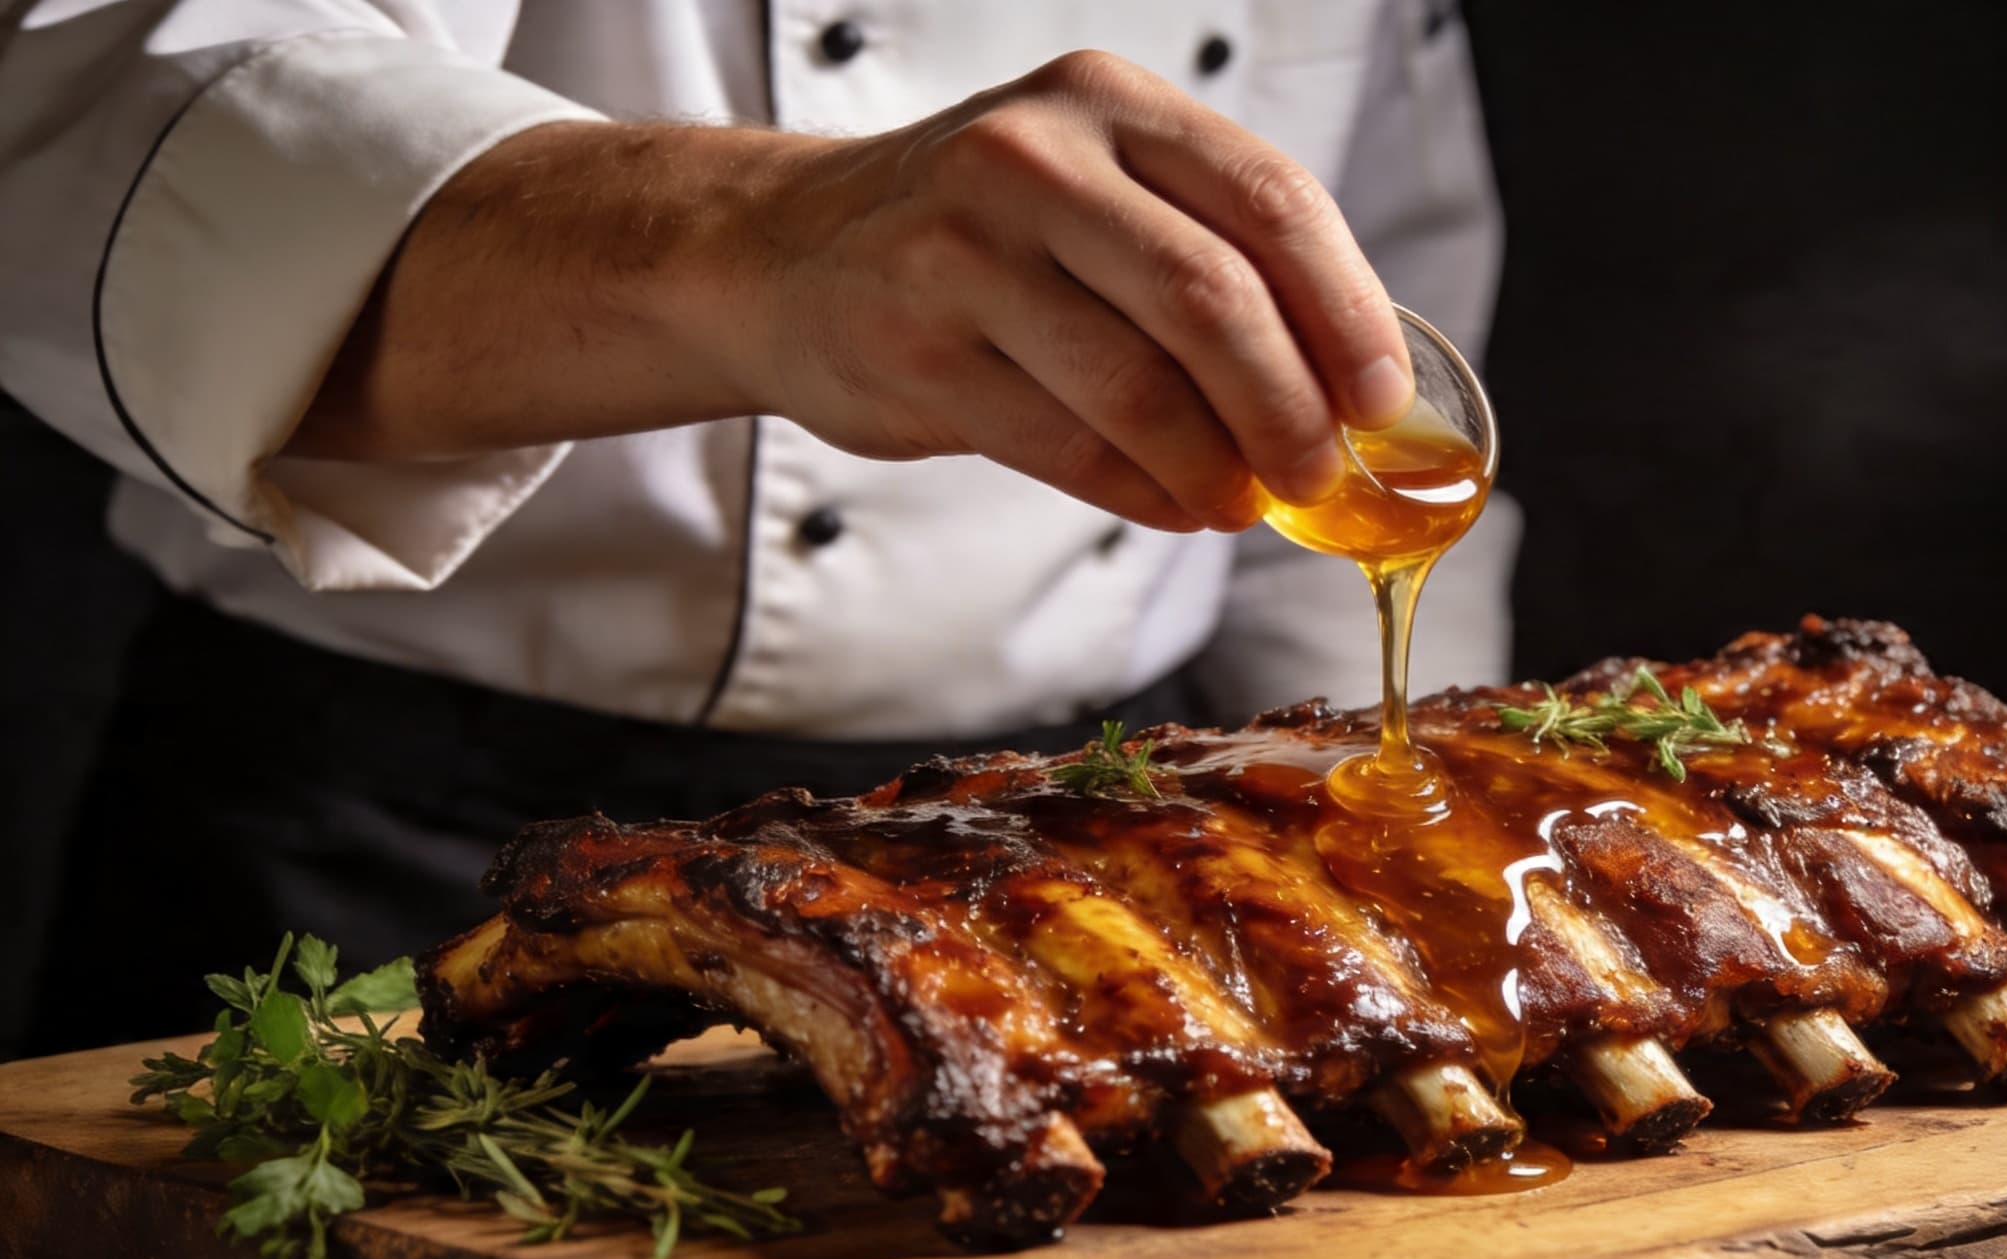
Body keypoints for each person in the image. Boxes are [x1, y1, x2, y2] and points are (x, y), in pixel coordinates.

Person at [0, 1, 1516, 1050]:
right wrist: (747, 248)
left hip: (1114, 828)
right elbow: (111, 114)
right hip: (395, 833)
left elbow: (1370, 282)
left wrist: (1387, 833)